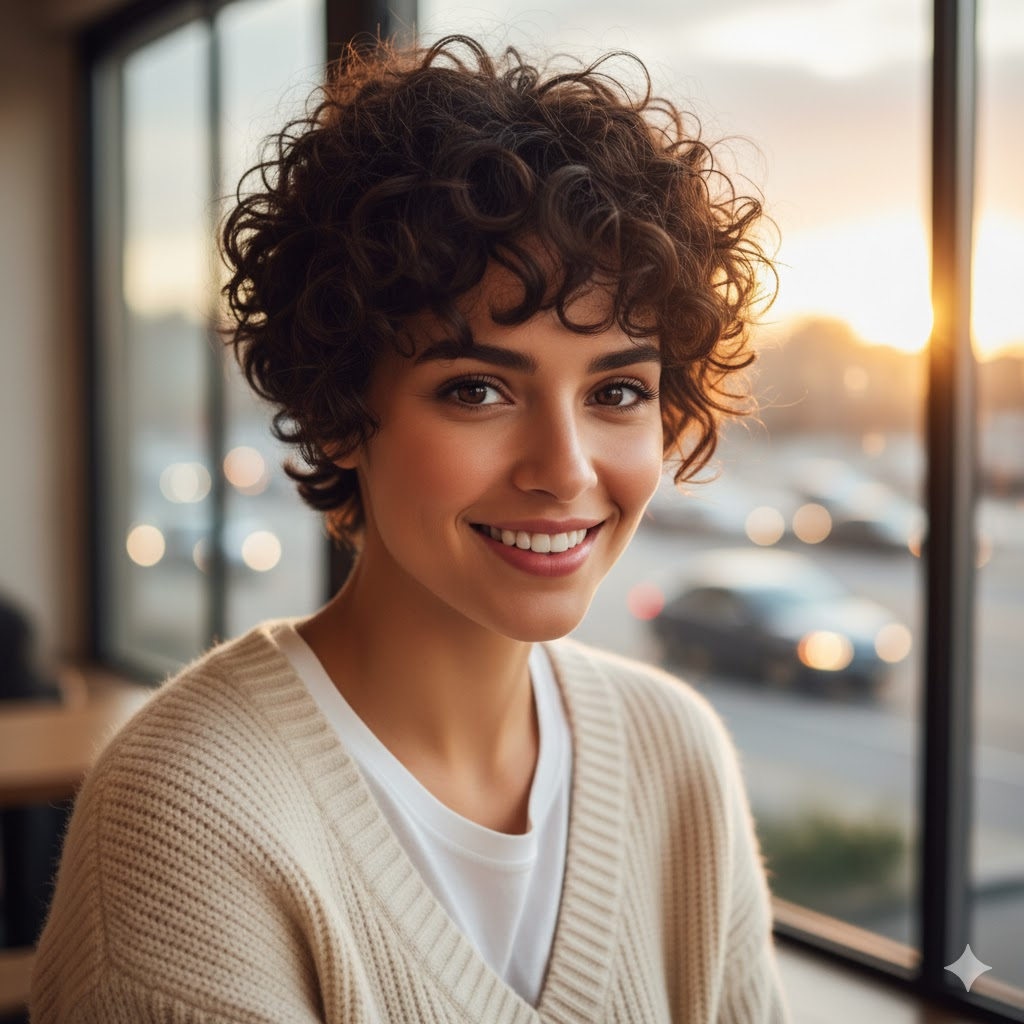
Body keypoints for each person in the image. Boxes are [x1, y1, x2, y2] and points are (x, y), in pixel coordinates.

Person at [31, 34, 789, 1023]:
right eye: (476, 388)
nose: (564, 469)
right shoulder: (190, 809)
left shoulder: (673, 751)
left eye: (615, 389)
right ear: (343, 411)